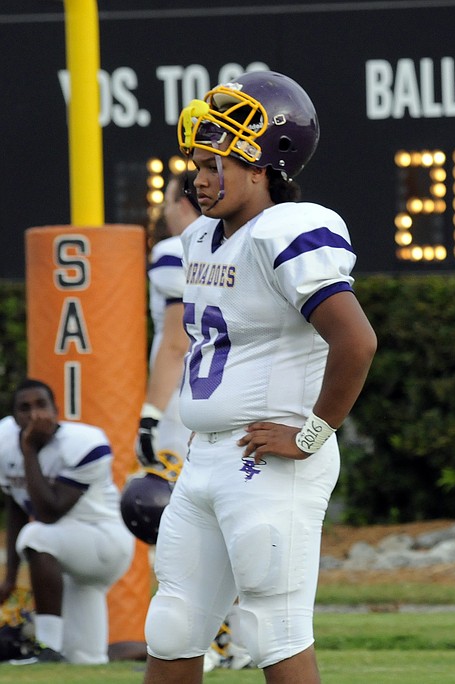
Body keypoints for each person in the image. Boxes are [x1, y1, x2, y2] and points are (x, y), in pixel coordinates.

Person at [142, 70, 377, 684]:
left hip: (271, 461)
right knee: (172, 625)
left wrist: (310, 434)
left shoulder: (288, 229)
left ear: (261, 162)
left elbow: (356, 340)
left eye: (214, 160)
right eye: (196, 161)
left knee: (269, 628)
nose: (198, 176)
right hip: (208, 457)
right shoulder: (197, 237)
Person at [0, 378, 135, 664]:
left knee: (35, 535)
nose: (34, 414)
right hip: (68, 546)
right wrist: (10, 578)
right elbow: (17, 507)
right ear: (14, 417)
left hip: (104, 543)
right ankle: (162, 654)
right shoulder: (3, 439)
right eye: (24, 408)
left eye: (41, 405)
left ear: (56, 410)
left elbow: (49, 512)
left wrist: (28, 450)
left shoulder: (84, 443)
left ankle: (46, 646)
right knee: (86, 658)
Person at [135, 169, 201, 469]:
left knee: (166, 503)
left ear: (184, 205)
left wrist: (151, 417)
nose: (166, 213)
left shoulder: (176, 250)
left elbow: (177, 344)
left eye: (169, 204)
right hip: (228, 395)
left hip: (184, 396)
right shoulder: (233, 244)